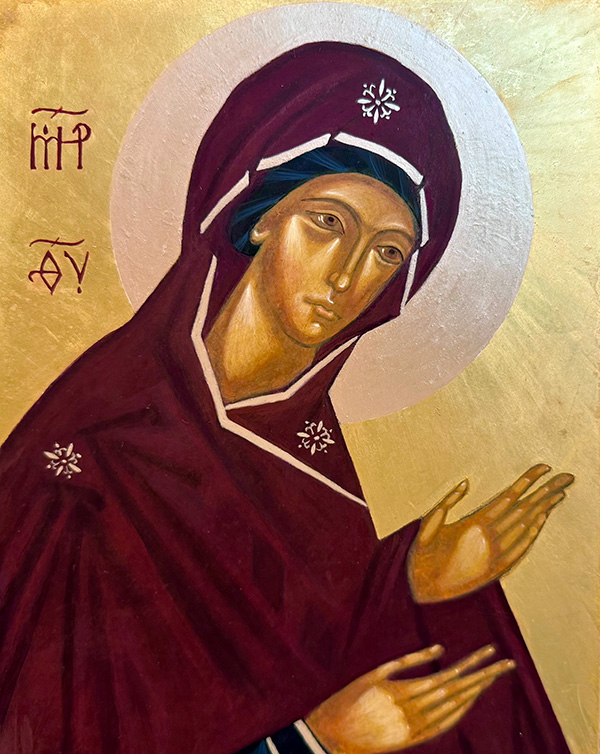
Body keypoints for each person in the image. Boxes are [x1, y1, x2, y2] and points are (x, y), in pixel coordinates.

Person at [0, 42, 572, 754]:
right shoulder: (85, 457)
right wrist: (307, 745)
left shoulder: (310, 463)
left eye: (388, 251)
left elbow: (310, 655)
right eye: (328, 223)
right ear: (261, 214)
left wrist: (409, 583)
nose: (348, 276)